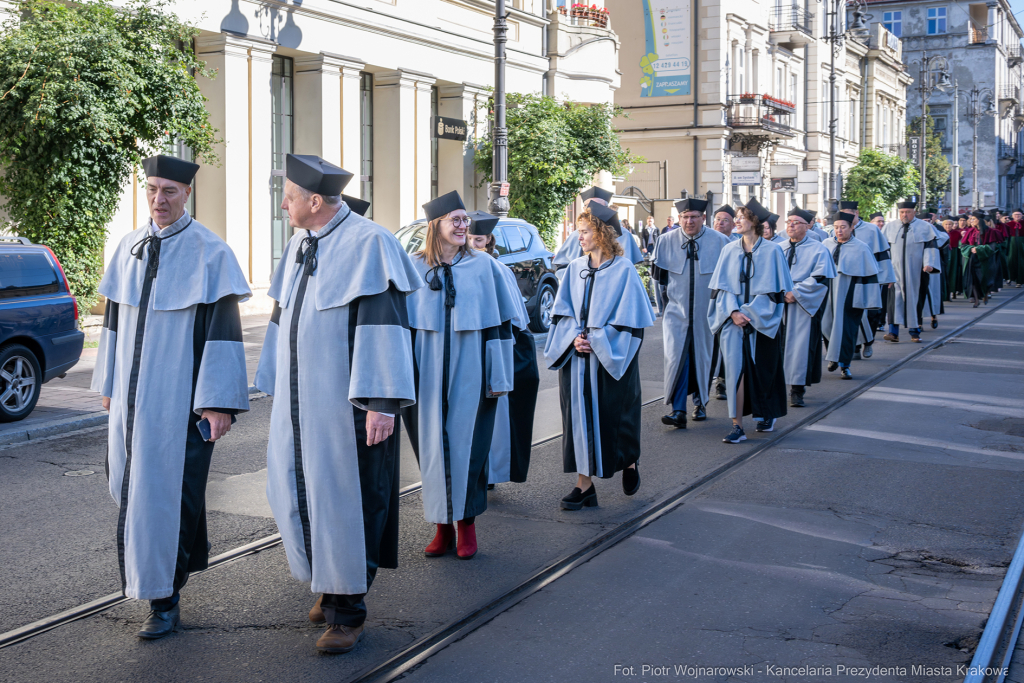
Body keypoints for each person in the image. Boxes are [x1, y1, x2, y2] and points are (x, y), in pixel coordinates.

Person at [255, 155, 419, 654]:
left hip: (348, 407)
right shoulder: (300, 243)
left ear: (314, 201)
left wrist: (381, 403)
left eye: (288, 197)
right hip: (301, 404)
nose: (283, 204)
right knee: (296, 489)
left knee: (346, 504)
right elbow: (283, 317)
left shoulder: (370, 242)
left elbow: (385, 325)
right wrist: (274, 384)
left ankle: (348, 612)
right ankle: (328, 585)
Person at [91, 155, 251, 640]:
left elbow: (223, 334)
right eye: (152, 189)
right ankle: (163, 579)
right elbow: (115, 322)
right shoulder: (129, 246)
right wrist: (107, 386)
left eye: (170, 192)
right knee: (130, 489)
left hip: (178, 402)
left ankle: (165, 598)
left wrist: (218, 402)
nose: (159, 200)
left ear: (187, 194)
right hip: (130, 402)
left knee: (168, 498)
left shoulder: (210, 252)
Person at [402, 191, 519, 560]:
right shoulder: (413, 266)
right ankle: (441, 527)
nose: (463, 225)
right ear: (435, 226)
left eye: (465, 220)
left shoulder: (483, 266)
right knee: (432, 447)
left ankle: (466, 524)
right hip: (426, 367)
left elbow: (502, 324)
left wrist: (499, 376)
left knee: (470, 446)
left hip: (473, 367)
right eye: (456, 220)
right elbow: (400, 328)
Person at [544, 203, 655, 509]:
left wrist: (599, 340)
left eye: (585, 231)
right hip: (578, 359)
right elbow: (561, 316)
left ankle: (629, 461)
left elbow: (632, 323)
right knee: (577, 419)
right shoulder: (575, 269)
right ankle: (584, 485)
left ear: (603, 233)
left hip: (612, 359)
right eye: (578, 231)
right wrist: (575, 339)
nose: (578, 237)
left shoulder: (624, 270)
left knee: (616, 418)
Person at [709, 200, 794, 443]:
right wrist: (734, 312)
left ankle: (766, 413)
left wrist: (750, 313)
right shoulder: (729, 250)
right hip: (732, 322)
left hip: (763, 322)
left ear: (755, 222)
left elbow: (777, 292)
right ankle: (737, 426)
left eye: (741, 217)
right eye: (735, 217)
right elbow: (719, 289)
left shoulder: (773, 251)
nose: (736, 221)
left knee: (763, 370)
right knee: (736, 371)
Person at [466, 210, 540, 488]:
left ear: (488, 241)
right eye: (470, 238)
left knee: (493, 413)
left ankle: (489, 471)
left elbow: (517, 317)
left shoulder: (497, 269)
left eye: (478, 239)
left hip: (493, 345)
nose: (473, 243)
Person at [655, 197, 731, 428]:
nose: (689, 221)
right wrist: (664, 311)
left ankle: (700, 403)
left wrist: (722, 313)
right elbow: (659, 282)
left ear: (703, 218)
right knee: (677, 359)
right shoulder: (665, 241)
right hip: (676, 314)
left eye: (694, 217)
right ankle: (678, 410)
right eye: (685, 217)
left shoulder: (720, 241)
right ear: (679, 219)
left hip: (707, 315)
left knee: (702, 357)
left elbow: (726, 282)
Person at [777, 208, 836, 407]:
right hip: (777, 302)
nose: (791, 225)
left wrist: (797, 293)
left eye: (796, 222)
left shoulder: (818, 249)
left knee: (800, 347)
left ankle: (796, 389)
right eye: (789, 221)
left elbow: (821, 278)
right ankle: (775, 386)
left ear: (808, 225)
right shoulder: (778, 247)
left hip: (802, 304)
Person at [821, 213, 882, 380]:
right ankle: (833, 356)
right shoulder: (825, 244)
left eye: (843, 227)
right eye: (836, 227)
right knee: (826, 325)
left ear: (852, 227)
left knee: (846, 330)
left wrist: (869, 300)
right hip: (827, 292)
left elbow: (869, 274)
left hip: (850, 293)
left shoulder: (861, 247)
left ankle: (844, 365)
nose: (839, 231)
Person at [882, 199, 940, 343]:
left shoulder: (925, 227)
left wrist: (929, 263)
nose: (904, 215)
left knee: (915, 300)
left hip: (917, 271)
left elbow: (930, 247)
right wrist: (885, 270)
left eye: (908, 212)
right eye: (902, 212)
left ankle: (915, 332)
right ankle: (893, 332)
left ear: (914, 212)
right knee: (894, 301)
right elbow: (884, 250)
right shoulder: (890, 227)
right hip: (894, 271)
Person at [843, 202, 895, 359]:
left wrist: (888, 277)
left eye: (848, 214)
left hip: (871, 276)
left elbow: (882, 253)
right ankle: (855, 347)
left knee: (872, 312)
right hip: (849, 277)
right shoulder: (839, 229)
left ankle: (869, 341)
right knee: (853, 312)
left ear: (856, 213)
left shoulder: (871, 229)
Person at [553, 187, 644, 276]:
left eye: (598, 205)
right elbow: (562, 267)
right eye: (588, 206)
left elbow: (628, 271)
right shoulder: (575, 235)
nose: (593, 209)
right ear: (584, 209)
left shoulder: (624, 235)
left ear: (606, 208)